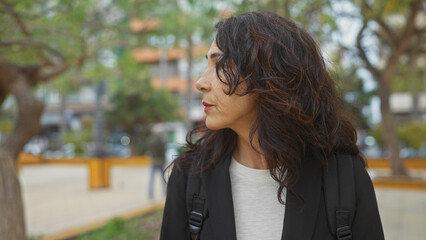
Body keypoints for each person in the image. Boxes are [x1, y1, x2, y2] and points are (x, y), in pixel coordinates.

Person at [160, 11, 384, 240]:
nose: (200, 83)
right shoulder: (190, 176)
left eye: (219, 64)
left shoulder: (344, 176)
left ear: (269, 75)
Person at [146, 132, 167, 199]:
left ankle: (150, 193)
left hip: (154, 161)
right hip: (160, 161)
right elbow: (164, 151)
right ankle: (165, 192)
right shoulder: (162, 142)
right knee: (163, 178)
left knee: (152, 178)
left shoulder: (151, 141)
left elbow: (149, 150)